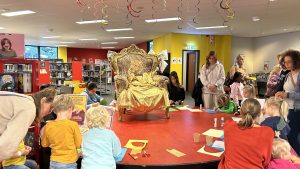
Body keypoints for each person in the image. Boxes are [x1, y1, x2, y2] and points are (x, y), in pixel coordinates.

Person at [0, 88, 57, 162]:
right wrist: (19, 152)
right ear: (43, 101)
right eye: (50, 109)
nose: (49, 113)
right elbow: (6, 147)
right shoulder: (29, 108)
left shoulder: (25, 101)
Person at [218, 98, 274, 169]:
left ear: (241, 112)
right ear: (260, 113)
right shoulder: (267, 132)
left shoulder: (228, 125)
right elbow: (266, 161)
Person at [41, 95, 82, 169]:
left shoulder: (48, 125)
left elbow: (44, 144)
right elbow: (79, 144)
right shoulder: (73, 125)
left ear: (54, 110)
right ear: (70, 109)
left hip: (54, 162)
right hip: (70, 162)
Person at [275, 49, 300, 155]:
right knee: (284, 134)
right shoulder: (287, 74)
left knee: (292, 136)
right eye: (285, 62)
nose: (286, 64)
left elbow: (292, 94)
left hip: (295, 111)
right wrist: (281, 95)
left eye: (289, 61)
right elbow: (286, 90)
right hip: (286, 109)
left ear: (296, 61)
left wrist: (287, 95)